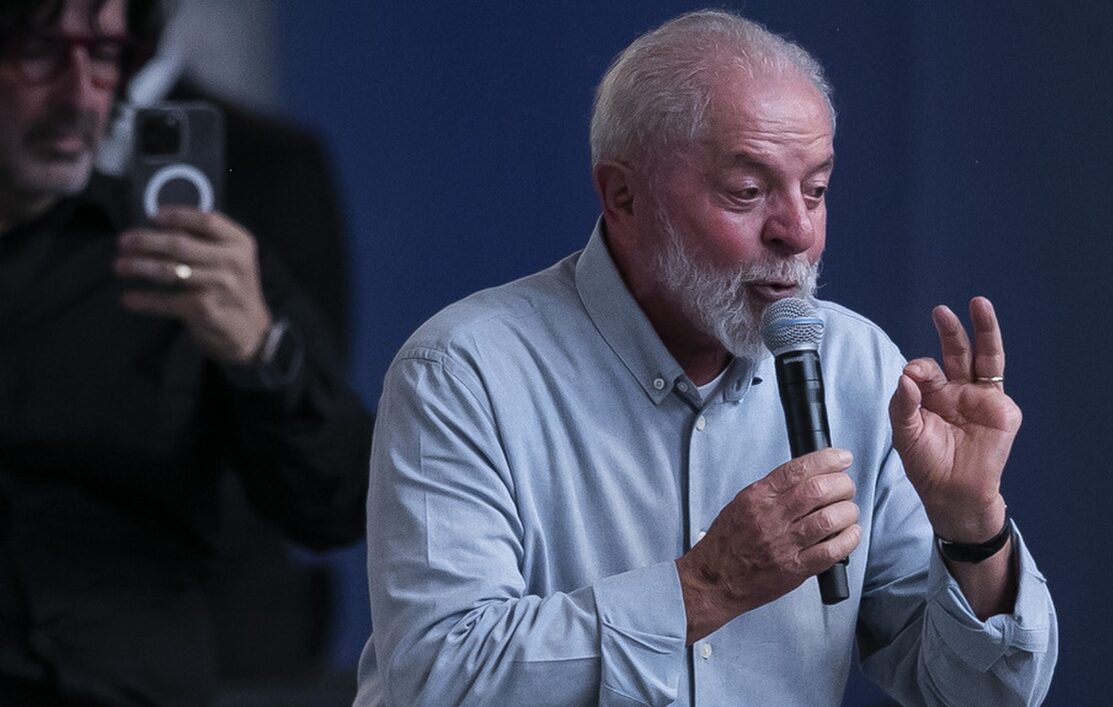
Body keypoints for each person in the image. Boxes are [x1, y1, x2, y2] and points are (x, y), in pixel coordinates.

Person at [354, 10, 1057, 706]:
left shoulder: (860, 367)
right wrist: (705, 587)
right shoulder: (462, 374)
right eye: (748, 192)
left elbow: (983, 696)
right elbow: (440, 678)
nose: (798, 231)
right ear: (623, 196)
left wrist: (973, 530)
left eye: (816, 190)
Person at [0, 1, 372, 704]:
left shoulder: (198, 258)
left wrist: (262, 352)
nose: (81, 95)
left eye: (104, 55)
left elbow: (339, 501)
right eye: (41, 52)